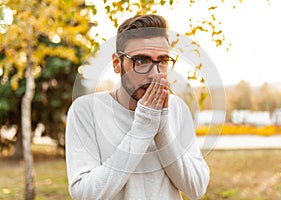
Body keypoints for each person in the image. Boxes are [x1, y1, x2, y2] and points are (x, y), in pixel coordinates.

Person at [66, 14, 209, 200]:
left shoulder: (178, 109)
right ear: (117, 64)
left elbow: (196, 188)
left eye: (163, 61)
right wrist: (143, 127)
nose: (154, 73)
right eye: (141, 61)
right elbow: (85, 194)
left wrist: (162, 126)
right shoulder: (85, 111)